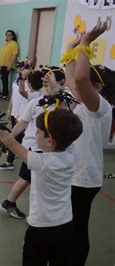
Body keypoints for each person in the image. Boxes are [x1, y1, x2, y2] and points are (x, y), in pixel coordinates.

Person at [0, 109, 83, 266]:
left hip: (40, 228)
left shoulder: (41, 162)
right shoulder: (71, 154)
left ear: (49, 141)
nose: (35, 134)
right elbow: (67, 126)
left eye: (39, 132)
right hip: (66, 225)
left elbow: (10, 142)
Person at [61, 17, 113, 266]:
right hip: (75, 175)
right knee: (68, 225)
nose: (80, 87)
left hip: (84, 179)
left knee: (77, 227)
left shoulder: (98, 107)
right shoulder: (83, 102)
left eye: (91, 84)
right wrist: (74, 48)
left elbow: (79, 79)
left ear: (98, 88)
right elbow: (73, 76)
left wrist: (87, 42)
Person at [0, 67, 66, 219]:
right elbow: (21, 124)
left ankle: (9, 202)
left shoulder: (63, 103)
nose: (59, 88)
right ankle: (10, 203)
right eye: (53, 84)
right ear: (44, 85)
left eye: (62, 84)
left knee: (27, 178)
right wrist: (6, 140)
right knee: (28, 178)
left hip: (49, 150)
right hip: (33, 149)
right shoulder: (35, 103)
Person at [0, 30, 18, 100]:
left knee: (5, 79)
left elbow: (14, 55)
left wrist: (10, 65)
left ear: (12, 36)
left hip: (8, 64)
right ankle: (4, 93)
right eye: (6, 35)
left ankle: (5, 94)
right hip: (3, 63)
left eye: (9, 35)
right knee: (3, 78)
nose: (7, 36)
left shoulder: (14, 43)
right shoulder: (6, 43)